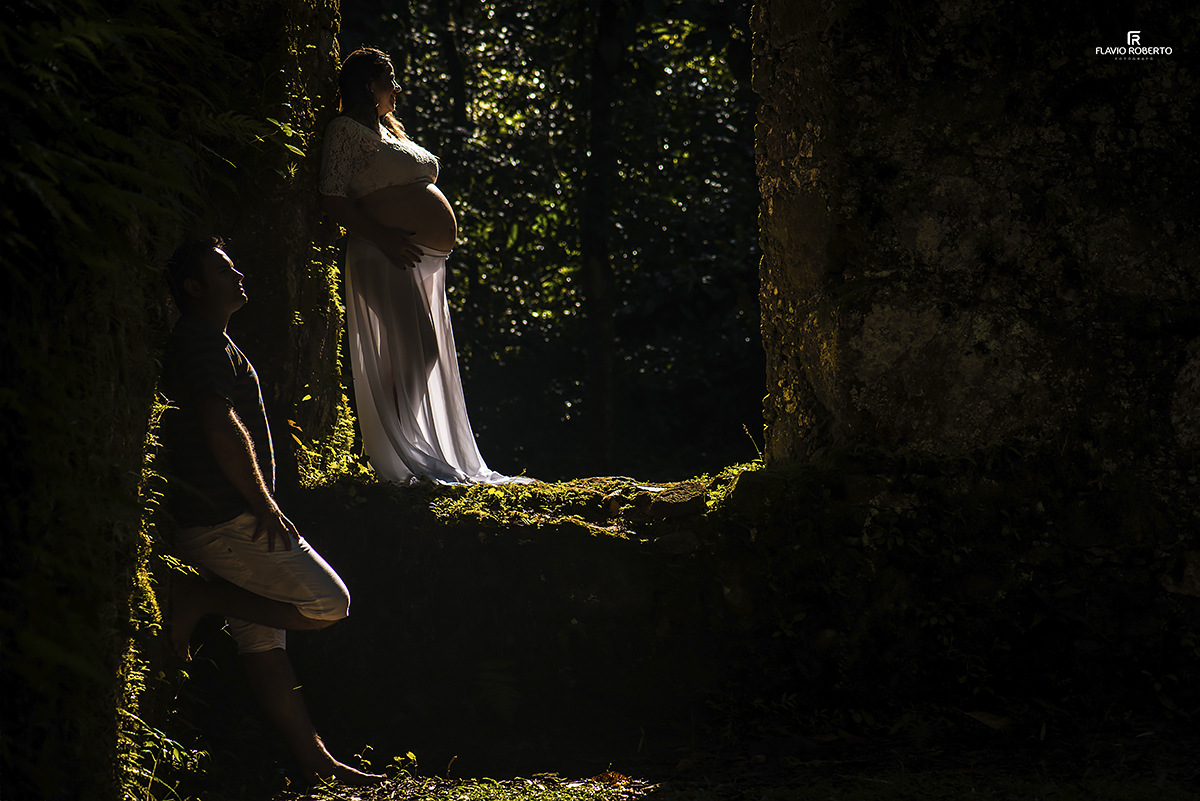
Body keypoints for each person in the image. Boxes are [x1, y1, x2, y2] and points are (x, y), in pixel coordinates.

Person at [158, 237, 383, 787]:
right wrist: (263, 504)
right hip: (228, 520)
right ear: (193, 287)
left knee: (262, 642)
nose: (238, 275)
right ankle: (200, 596)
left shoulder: (214, 340)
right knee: (330, 604)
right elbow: (217, 421)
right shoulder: (200, 340)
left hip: (224, 518)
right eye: (222, 269)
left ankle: (315, 762)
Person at [319, 47, 530, 485]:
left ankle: (403, 450)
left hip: (406, 255)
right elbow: (332, 196)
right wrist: (386, 239)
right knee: (418, 350)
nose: (397, 89)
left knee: (419, 351)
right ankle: (401, 456)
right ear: (367, 86)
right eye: (388, 80)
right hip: (382, 253)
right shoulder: (345, 130)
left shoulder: (387, 131)